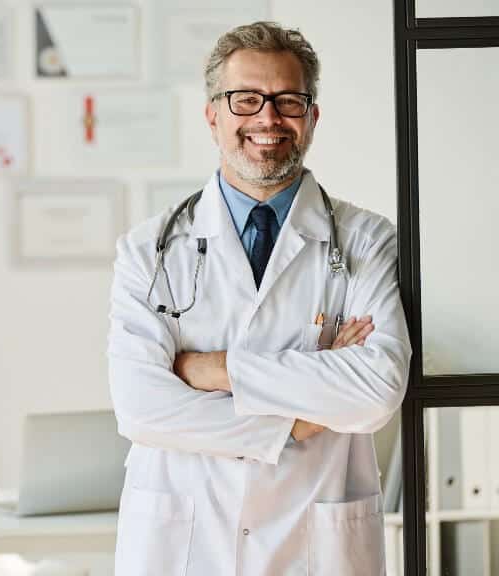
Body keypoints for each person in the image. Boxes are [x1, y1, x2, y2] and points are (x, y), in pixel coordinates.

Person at [107, 21, 411, 575]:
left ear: (312, 116)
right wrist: (298, 420)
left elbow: (375, 391)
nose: (267, 119)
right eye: (245, 100)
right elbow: (142, 407)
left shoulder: (367, 239)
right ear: (213, 115)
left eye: (287, 100)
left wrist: (215, 370)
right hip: (185, 544)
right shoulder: (149, 249)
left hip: (313, 538)